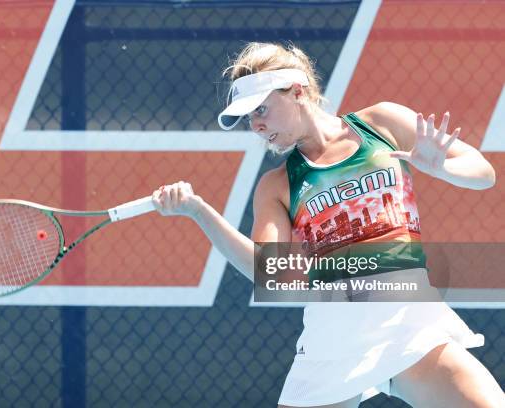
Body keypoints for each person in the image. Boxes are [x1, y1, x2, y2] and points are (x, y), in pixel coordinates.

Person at [151, 42, 504, 407]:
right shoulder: (277, 185)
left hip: (409, 319)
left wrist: (442, 167)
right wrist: (198, 211)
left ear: (298, 92)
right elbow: (266, 270)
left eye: (262, 109)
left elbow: (484, 174)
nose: (256, 125)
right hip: (334, 335)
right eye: (249, 119)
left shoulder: (381, 122)